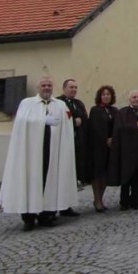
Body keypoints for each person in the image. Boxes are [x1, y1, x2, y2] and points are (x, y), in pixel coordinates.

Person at [0, 76, 77, 231]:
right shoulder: (27, 103)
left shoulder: (60, 105)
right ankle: (28, 218)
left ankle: (46, 215)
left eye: (49, 85)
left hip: (52, 150)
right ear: (38, 87)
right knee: (31, 180)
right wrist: (42, 120)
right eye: (44, 85)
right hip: (32, 152)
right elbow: (21, 122)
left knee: (50, 180)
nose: (47, 88)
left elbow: (67, 126)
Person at [57, 78, 86, 217]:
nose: (73, 90)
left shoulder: (78, 103)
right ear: (64, 89)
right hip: (62, 146)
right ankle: (55, 206)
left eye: (75, 87)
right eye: (71, 87)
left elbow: (84, 119)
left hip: (77, 144)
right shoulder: (58, 103)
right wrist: (74, 122)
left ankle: (67, 206)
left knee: (71, 177)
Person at [86, 85, 118, 212]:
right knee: (97, 173)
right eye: (104, 94)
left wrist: (113, 138)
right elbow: (94, 129)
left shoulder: (114, 110)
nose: (106, 96)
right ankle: (97, 199)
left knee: (106, 174)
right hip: (98, 148)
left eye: (108, 94)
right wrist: (105, 139)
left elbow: (118, 126)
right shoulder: (95, 110)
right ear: (100, 96)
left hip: (111, 146)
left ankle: (100, 198)